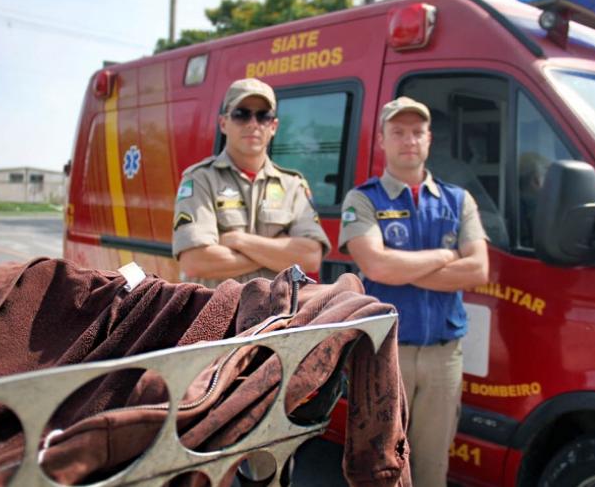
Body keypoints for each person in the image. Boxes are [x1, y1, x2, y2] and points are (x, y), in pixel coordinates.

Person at [339, 96, 489, 486]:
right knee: (380, 461)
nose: (409, 140)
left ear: (429, 139)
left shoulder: (458, 200)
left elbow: (478, 269)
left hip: (443, 358)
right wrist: (445, 255)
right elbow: (376, 266)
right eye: (398, 132)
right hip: (384, 353)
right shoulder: (363, 198)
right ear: (382, 140)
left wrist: (400, 268)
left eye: (417, 132)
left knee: (432, 466)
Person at [172, 78, 330, 287]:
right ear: (223, 123)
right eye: (241, 114)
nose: (253, 123)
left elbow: (310, 258)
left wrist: (238, 240)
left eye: (263, 116)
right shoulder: (200, 179)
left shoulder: (293, 185)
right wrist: (282, 252)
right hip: (219, 316)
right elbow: (195, 261)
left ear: (273, 126)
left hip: (276, 317)